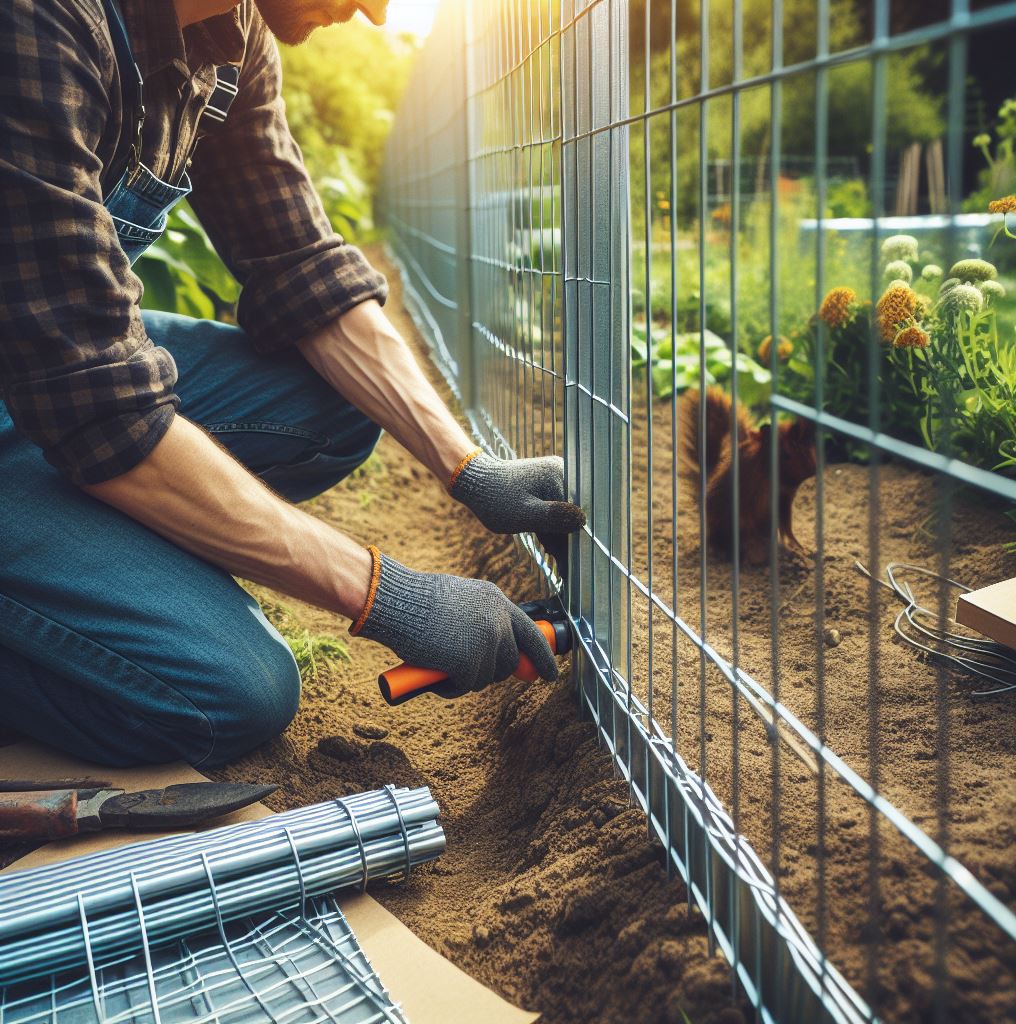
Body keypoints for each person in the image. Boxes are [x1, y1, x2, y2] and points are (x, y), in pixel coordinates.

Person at [0, 0, 585, 768]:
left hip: (39, 379)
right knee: (233, 691)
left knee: (331, 407)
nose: (378, 15)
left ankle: (96, 558)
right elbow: (100, 403)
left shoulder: (228, 36)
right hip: (59, 382)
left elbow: (301, 266)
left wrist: (467, 467)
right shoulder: (38, 21)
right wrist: (389, 597)